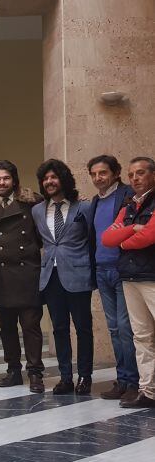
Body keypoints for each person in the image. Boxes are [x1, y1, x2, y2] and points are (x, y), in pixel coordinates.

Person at [0, 160, 45, 393]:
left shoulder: (32, 202)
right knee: (6, 327)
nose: (1, 183)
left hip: (28, 272)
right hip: (2, 275)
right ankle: (13, 370)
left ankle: (35, 373)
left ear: (14, 180)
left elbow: (43, 235)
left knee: (30, 326)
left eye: (6, 178)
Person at [33, 159, 95, 395]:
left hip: (78, 274)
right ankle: (66, 377)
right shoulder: (37, 211)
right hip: (51, 276)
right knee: (59, 328)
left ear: (63, 179)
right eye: (45, 178)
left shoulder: (84, 208)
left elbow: (93, 239)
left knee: (83, 328)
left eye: (53, 177)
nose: (49, 182)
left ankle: (85, 377)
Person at [102, 156, 155, 409]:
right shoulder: (129, 204)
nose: (135, 178)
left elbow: (149, 235)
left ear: (152, 175)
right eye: (132, 174)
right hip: (130, 276)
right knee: (142, 336)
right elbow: (107, 238)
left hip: (152, 277)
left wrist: (125, 237)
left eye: (141, 173)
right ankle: (148, 391)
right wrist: (132, 230)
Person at [88, 155, 138, 402]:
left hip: (122, 270)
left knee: (126, 329)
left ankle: (134, 382)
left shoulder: (128, 196)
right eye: (94, 174)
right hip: (101, 271)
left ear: (115, 173)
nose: (98, 178)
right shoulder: (96, 201)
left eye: (103, 173)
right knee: (114, 329)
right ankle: (123, 379)